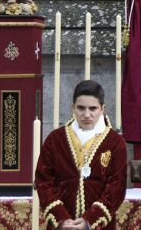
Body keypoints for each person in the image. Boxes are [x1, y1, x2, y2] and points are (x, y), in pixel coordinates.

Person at [35, 80, 127, 230]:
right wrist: (61, 218)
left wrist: (90, 220)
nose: (87, 114)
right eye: (81, 108)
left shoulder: (115, 142)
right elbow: (44, 181)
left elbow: (116, 186)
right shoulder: (55, 139)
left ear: (102, 109)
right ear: (73, 108)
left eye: (93, 108)